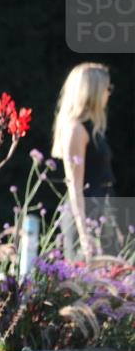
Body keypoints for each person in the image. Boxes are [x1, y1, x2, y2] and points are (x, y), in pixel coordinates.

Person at [51, 62, 120, 262]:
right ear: (93, 91)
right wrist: (84, 233)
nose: (109, 93)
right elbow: (74, 186)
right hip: (86, 216)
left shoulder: (94, 129)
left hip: (103, 212)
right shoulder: (76, 130)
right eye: (107, 88)